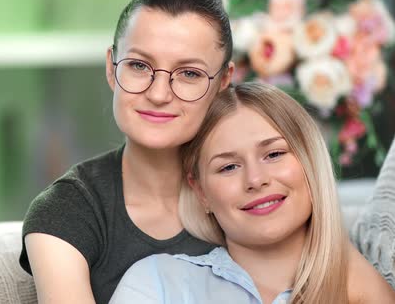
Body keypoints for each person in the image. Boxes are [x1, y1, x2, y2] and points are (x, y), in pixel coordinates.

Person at [19, 0, 235, 303]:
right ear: (111, 68)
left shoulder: (252, 189)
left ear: (224, 81)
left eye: (189, 73)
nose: (159, 93)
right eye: (138, 65)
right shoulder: (66, 211)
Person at [110, 82, 395, 304]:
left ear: (311, 163)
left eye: (273, 154)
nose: (255, 180)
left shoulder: (362, 285)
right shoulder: (156, 282)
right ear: (201, 192)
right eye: (229, 167)